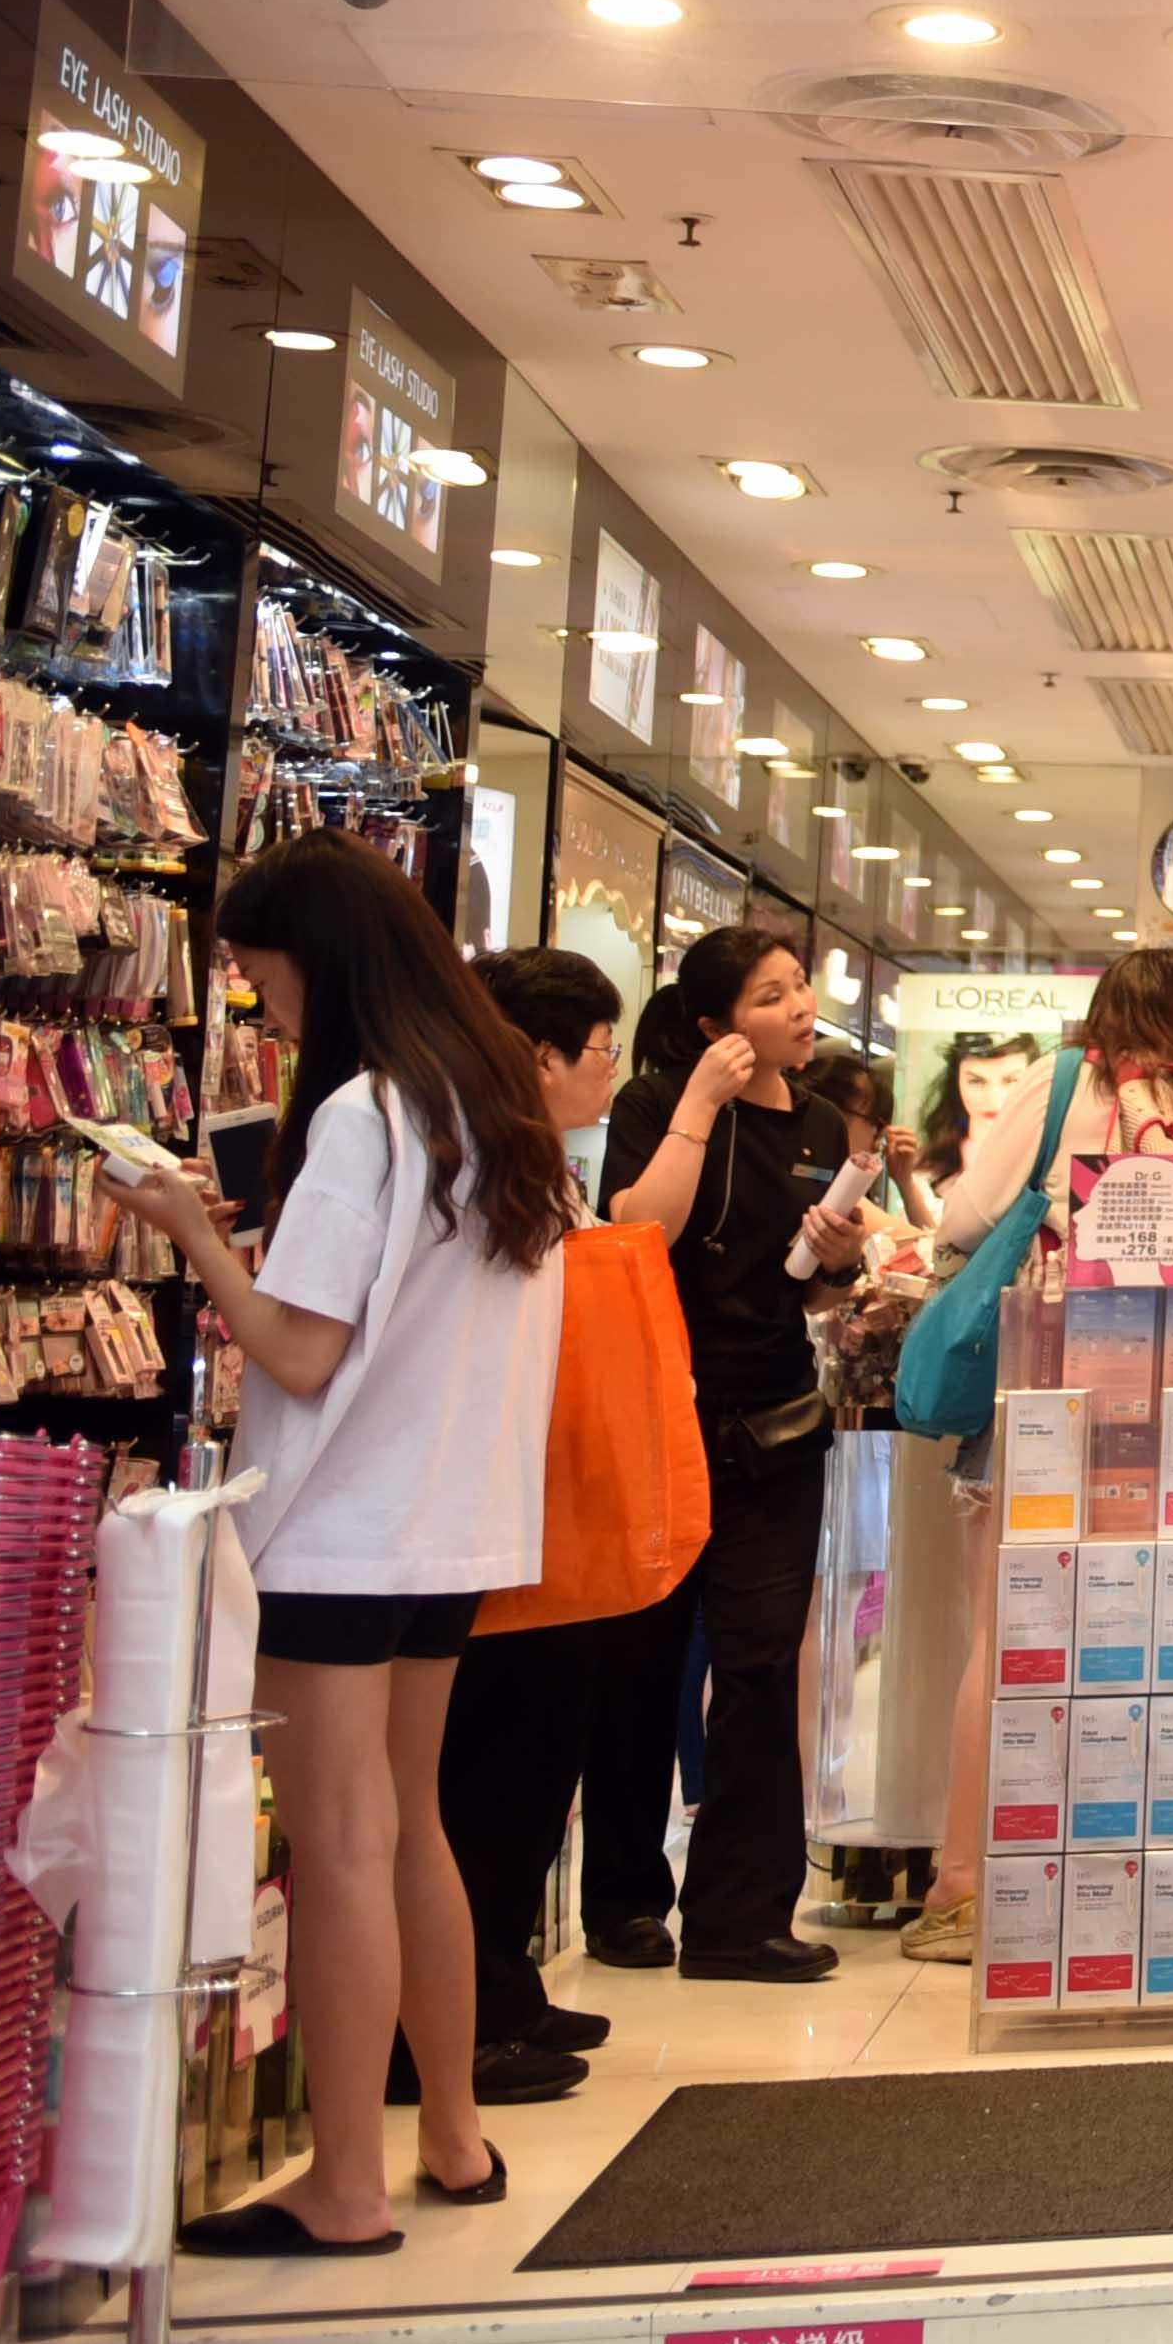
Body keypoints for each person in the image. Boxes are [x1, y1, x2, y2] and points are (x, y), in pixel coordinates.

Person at [88, 838, 569, 2251]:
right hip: (450, 1529)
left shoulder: (366, 1114)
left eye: (259, 972)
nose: (260, 1000)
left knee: (344, 1842)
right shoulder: (495, 1108)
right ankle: (453, 2134)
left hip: (338, 1530)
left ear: (321, 958)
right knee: (410, 1823)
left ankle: (346, 2181)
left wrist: (192, 1231)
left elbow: (299, 1353)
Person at [913, 950, 1173, 1962]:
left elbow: (964, 1217)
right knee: (1146, 1645)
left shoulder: (1067, 1082)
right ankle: (1126, 1878)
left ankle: (965, 1888)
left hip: (1048, 1393)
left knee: (1006, 1638)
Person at [597, 925, 876, 1981]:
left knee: (759, 1668)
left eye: (800, 986)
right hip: (658, 1414)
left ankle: (740, 1915)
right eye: (770, 995)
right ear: (716, 1023)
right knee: (641, 1659)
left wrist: (838, 1263)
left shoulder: (817, 1120)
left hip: (775, 1420)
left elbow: (808, 1292)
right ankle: (625, 1900)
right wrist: (700, 1105)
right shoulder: (656, 1104)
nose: (800, 1007)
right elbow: (638, 1229)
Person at [418, 946, 650, 2106]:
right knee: (492, 1766)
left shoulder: (533, 1165)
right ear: (540, 1054)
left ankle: (501, 1986)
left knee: (537, 1754)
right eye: (602, 1048)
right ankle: (457, 2020)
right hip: (484, 1510)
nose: (611, 1070)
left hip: (540, 1502)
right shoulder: (465, 1161)